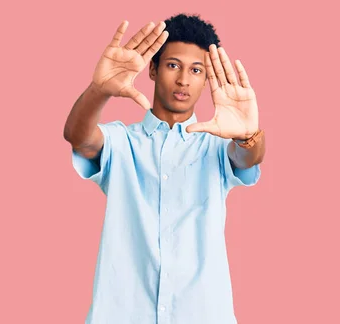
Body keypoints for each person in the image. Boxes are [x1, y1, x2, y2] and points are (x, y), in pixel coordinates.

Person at [63, 13, 265, 324]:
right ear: (153, 70)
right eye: (173, 65)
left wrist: (249, 135)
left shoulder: (215, 147)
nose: (184, 80)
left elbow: (247, 158)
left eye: (196, 70)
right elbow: (79, 137)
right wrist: (98, 90)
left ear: (206, 79)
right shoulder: (122, 142)